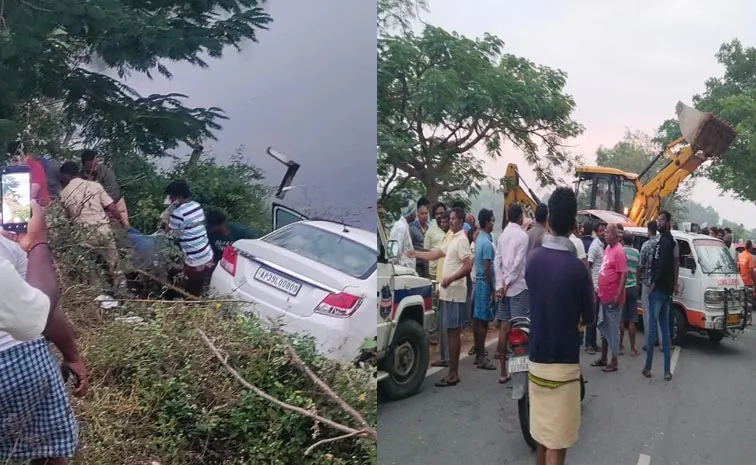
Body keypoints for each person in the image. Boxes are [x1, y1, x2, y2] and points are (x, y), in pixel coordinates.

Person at [0, 200, 89, 464]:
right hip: (19, 363)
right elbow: (39, 311)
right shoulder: (9, 244)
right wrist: (37, 242)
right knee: (49, 450)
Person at [526, 187, 593, 465]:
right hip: (564, 367)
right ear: (574, 226)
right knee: (558, 445)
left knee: (543, 436)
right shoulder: (578, 270)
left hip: (536, 362)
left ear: (549, 221)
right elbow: (588, 317)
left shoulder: (532, 261)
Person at [409, 207, 472, 387]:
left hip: (454, 292)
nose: (450, 221)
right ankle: (452, 372)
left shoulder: (461, 240)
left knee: (453, 333)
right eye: (449, 218)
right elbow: (435, 254)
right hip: (447, 292)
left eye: (453, 219)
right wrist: (416, 253)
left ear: (460, 220)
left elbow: (468, 266)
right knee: (449, 331)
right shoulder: (451, 238)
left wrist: (450, 278)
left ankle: (453, 373)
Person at [59, 161, 126, 285]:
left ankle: (97, 295)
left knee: (91, 269)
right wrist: (122, 223)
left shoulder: (64, 193)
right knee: (114, 265)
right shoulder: (95, 185)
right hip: (104, 230)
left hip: (85, 234)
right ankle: (122, 290)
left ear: (66, 175)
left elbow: (69, 218)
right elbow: (112, 207)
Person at [494, 203, 529, 385]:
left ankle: (502, 371)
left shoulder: (502, 236)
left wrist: (501, 284)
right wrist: (507, 283)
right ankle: (519, 373)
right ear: (520, 217)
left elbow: (497, 261)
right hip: (518, 288)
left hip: (504, 289)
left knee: (504, 328)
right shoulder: (522, 236)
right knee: (520, 330)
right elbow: (517, 264)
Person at [163, 180, 215, 297]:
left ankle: (175, 298)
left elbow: (169, 233)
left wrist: (167, 216)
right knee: (197, 288)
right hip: (207, 255)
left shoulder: (178, 213)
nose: (170, 199)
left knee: (188, 290)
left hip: (195, 261)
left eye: (171, 196)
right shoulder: (197, 206)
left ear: (179, 197)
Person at [643, 211, 677, 381]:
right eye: (658, 219)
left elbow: (662, 266)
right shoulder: (671, 242)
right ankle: (666, 370)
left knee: (652, 329)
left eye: (662, 220)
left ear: (668, 222)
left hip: (659, 290)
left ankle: (648, 367)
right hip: (667, 292)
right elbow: (674, 266)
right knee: (664, 329)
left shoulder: (663, 242)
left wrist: (654, 283)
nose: (659, 222)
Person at [591, 223, 626, 372]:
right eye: (604, 232)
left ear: (614, 235)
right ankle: (604, 357)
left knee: (612, 329)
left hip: (613, 298)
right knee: (604, 326)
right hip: (604, 295)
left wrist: (618, 294)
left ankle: (614, 360)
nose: (605, 234)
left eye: (607, 232)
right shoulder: (608, 249)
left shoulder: (619, 251)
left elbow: (623, 275)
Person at [472, 208, 496, 370]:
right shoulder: (486, 243)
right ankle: (481, 356)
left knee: (478, 320)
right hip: (484, 284)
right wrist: (492, 288)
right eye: (492, 220)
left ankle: (478, 354)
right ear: (487, 222)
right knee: (483, 323)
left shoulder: (480, 238)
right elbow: (488, 268)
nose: (493, 223)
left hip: (478, 283)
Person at [81, 149, 130, 229]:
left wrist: (97, 202)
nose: (93, 168)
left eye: (94, 165)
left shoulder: (107, 173)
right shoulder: (81, 176)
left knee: (124, 227)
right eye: (90, 167)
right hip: (94, 209)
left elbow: (113, 194)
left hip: (115, 204)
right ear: (84, 165)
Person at [430, 213, 452, 368]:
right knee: (442, 322)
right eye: (444, 220)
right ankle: (445, 355)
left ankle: (447, 356)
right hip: (441, 283)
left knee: (445, 323)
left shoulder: (452, 237)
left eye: (449, 220)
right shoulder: (447, 236)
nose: (446, 222)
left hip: (446, 284)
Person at [6, 141, 51, 206]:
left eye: (22, 159)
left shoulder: (35, 168)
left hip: (41, 206)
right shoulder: (8, 169)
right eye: (15, 160)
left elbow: (31, 194)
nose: (19, 163)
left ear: (27, 156)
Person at [585, 222, 606, 355]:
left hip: (600, 287)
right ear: (596, 232)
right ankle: (588, 344)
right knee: (592, 316)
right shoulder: (594, 246)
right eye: (601, 230)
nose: (603, 232)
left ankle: (593, 343)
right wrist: (591, 287)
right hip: (594, 286)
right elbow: (589, 266)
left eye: (604, 230)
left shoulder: (602, 245)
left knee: (596, 316)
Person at [620, 231, 640, 357]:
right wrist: (636, 282)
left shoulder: (620, 252)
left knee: (621, 320)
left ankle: (620, 347)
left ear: (623, 240)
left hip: (622, 288)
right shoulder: (636, 253)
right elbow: (638, 270)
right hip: (633, 287)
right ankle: (632, 349)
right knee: (632, 320)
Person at [389, 199, 417, 270]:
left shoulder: (403, 225)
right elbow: (394, 251)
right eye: (414, 211)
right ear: (411, 213)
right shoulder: (401, 227)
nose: (415, 214)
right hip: (401, 269)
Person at [424, 202, 448, 279]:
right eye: (437, 214)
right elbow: (425, 253)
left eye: (441, 213)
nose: (439, 216)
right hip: (434, 273)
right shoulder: (430, 231)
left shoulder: (451, 230)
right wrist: (427, 275)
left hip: (448, 271)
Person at [410, 197, 431, 277]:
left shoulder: (430, 228)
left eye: (426, 213)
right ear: (417, 214)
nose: (424, 216)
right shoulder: (412, 228)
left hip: (428, 264)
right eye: (422, 213)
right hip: (417, 265)